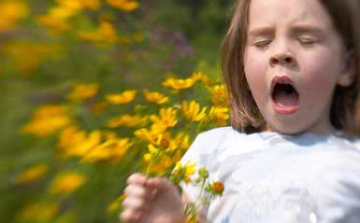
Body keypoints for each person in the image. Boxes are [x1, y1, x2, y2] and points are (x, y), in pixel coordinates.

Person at [120, 0, 360, 222]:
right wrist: (171, 219)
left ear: (347, 65)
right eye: (262, 42)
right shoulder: (214, 151)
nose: (280, 53)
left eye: (306, 39)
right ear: (242, 59)